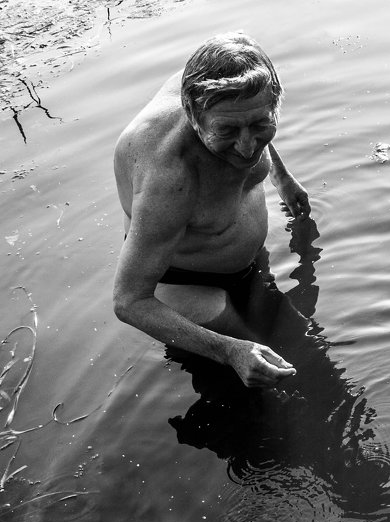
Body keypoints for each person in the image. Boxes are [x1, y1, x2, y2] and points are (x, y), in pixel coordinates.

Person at [113, 32, 310, 388]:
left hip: (242, 259)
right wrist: (228, 351)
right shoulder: (170, 178)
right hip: (186, 285)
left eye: (261, 125)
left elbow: (246, 114)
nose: (248, 147)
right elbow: (128, 301)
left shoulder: (233, 84)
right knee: (270, 381)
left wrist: (282, 177)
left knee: (302, 348)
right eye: (228, 131)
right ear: (192, 115)